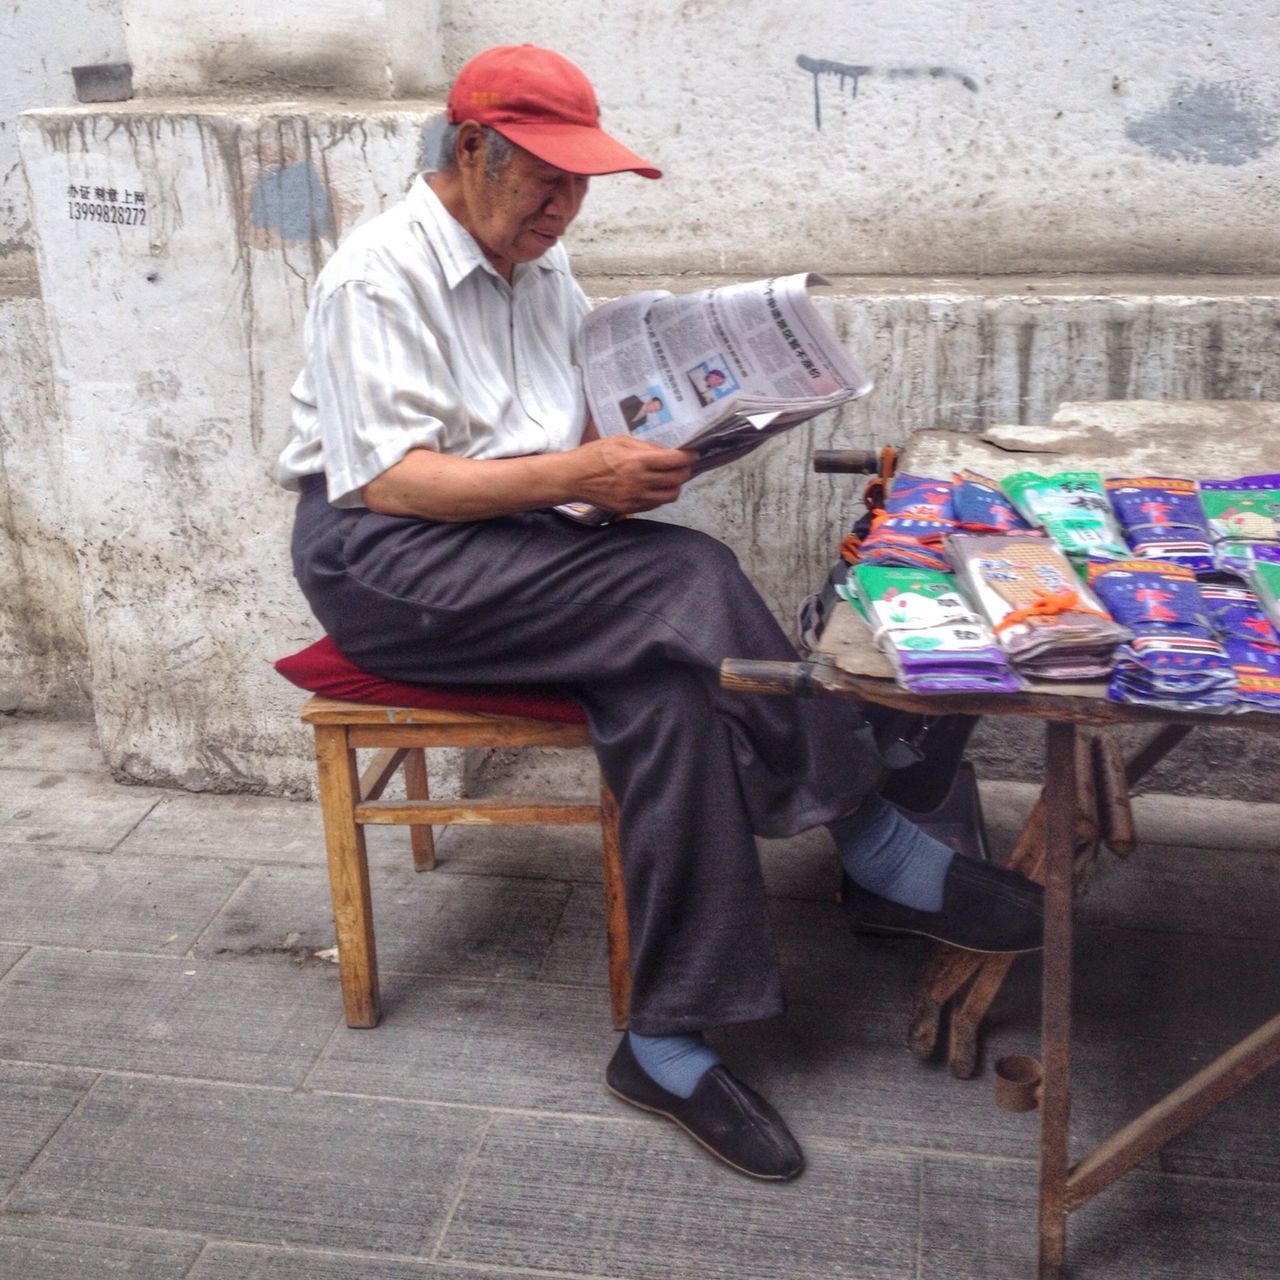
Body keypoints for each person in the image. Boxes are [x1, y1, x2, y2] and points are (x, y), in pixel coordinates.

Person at [277, 43, 1042, 1183]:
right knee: (682, 575)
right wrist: (576, 474)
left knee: (671, 693)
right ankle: (873, 836)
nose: (563, 204)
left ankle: (664, 1036)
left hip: (521, 548)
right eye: (546, 176)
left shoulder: (539, 264)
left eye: (581, 183)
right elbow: (391, 480)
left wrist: (685, 425)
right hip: (392, 564)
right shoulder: (376, 275)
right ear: (472, 148)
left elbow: (568, 416)